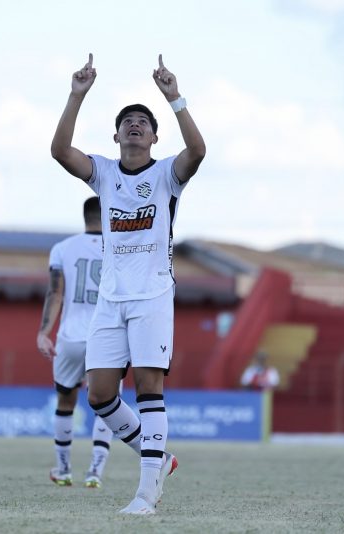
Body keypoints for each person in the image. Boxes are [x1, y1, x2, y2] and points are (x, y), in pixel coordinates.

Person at [51, 53, 206, 515]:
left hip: (153, 296)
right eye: (127, 123)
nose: (135, 126)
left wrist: (174, 98)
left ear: (155, 137)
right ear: (116, 136)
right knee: (99, 395)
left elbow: (197, 152)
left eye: (143, 122)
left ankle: (145, 494)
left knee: (148, 388)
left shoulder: (166, 175)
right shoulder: (104, 172)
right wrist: (76, 95)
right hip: (110, 301)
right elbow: (60, 152)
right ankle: (159, 458)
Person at [37, 196, 114, 489]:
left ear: (84, 216)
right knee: (108, 405)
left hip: (70, 337)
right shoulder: (118, 246)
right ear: (107, 214)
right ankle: (95, 471)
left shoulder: (62, 248)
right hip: (107, 338)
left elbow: (55, 293)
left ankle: (64, 468)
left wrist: (44, 332)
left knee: (65, 401)